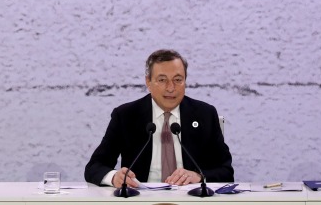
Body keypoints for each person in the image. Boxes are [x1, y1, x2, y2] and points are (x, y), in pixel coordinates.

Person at [85, 49, 234, 188]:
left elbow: (226, 171)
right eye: (162, 80)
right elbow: (94, 166)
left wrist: (198, 176)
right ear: (148, 82)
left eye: (178, 80)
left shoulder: (205, 114)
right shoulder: (126, 116)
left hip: (190, 199)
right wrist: (114, 177)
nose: (170, 88)